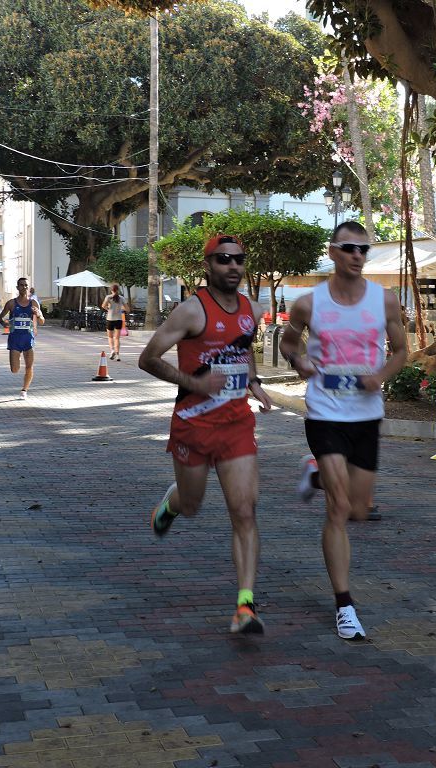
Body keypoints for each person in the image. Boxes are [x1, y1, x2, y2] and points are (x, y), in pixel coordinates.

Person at [139, 233, 273, 635]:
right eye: (223, 260)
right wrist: (194, 384)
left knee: (245, 512)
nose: (232, 266)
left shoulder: (251, 308)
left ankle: (245, 606)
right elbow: (148, 359)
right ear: (208, 266)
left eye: (238, 259)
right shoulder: (191, 311)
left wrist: (253, 382)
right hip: (193, 425)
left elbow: (242, 347)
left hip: (236, 424)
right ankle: (171, 504)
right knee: (193, 504)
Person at [279, 221, 408, 641]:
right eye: (349, 248)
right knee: (337, 509)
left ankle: (313, 473)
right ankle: (345, 605)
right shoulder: (308, 303)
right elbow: (288, 340)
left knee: (357, 508)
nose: (357, 255)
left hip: (366, 413)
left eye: (363, 249)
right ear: (333, 252)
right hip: (325, 411)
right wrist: (299, 363)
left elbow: (403, 350)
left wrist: (381, 376)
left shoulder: (383, 300)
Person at [0, 277, 45, 400]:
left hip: (28, 339)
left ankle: (24, 390)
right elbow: (0, 318)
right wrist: (5, 324)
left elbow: (42, 321)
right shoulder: (11, 303)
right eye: (21, 285)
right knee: (15, 369)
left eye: (26, 285)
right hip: (14, 340)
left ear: (28, 288)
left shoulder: (34, 303)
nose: (24, 287)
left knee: (29, 366)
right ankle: (17, 366)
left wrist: (38, 314)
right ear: (17, 287)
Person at [101, 284, 128, 360]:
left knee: (110, 337)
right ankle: (118, 355)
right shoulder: (122, 298)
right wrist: (120, 308)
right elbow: (128, 309)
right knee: (117, 338)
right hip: (119, 319)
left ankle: (112, 350)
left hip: (110, 319)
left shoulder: (108, 297)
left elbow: (103, 306)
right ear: (118, 290)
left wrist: (108, 308)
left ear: (111, 290)